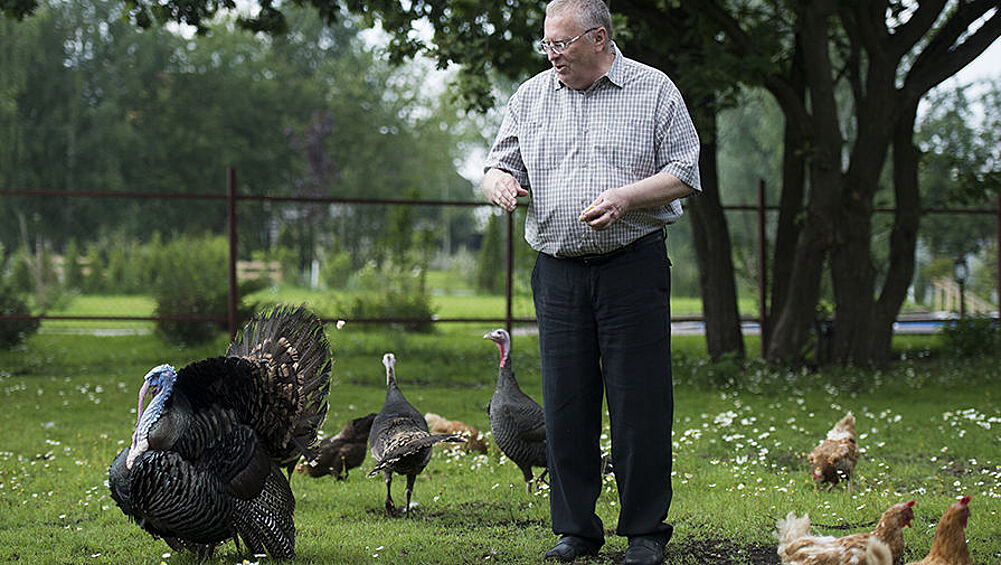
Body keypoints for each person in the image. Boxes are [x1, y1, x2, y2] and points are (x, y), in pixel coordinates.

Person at [480, 1, 701, 564]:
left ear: (598, 39)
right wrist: (500, 182)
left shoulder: (653, 91)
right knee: (566, 405)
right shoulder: (530, 97)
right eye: (547, 45)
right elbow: (497, 164)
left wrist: (627, 197)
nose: (552, 56)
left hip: (633, 266)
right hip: (557, 273)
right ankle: (575, 530)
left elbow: (685, 171)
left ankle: (646, 532)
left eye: (561, 45)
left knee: (641, 402)